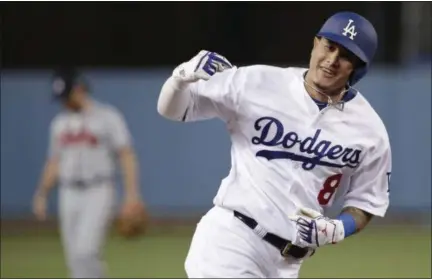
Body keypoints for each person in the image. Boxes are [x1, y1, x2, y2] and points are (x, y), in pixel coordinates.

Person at [157, 11, 391, 278]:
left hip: (288, 264)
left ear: (358, 68)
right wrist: (180, 78)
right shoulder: (257, 82)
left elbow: (367, 203)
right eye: (329, 46)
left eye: (346, 56)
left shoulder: (370, 131)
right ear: (315, 43)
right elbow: (174, 110)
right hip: (232, 241)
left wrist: (338, 228)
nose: (332, 60)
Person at [32, 69, 145, 278]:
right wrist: (42, 193)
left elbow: (126, 155)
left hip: (99, 189)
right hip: (68, 192)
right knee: (73, 257)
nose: (64, 102)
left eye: (66, 95)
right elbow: (54, 162)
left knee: (86, 252)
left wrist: (132, 195)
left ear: (79, 89)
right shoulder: (59, 124)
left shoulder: (107, 117)